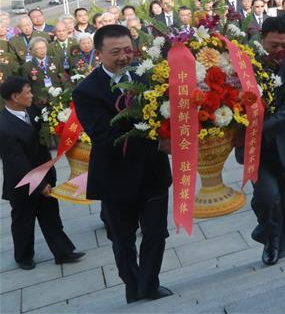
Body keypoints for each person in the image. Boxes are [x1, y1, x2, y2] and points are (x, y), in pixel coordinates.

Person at [72, 25, 172, 303]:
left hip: (153, 173)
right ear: (99, 53)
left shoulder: (150, 75)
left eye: (127, 50)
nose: (123, 57)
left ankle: (149, 284)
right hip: (116, 178)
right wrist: (157, 143)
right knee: (123, 239)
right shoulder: (86, 91)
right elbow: (106, 137)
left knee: (155, 233)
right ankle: (132, 283)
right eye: (115, 52)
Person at [238, 17, 285, 266]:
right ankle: (268, 235)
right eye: (273, 45)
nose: (279, 51)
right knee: (267, 198)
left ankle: (278, 242)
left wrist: (253, 130)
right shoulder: (245, 68)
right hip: (258, 150)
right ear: (261, 40)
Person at [0, 77, 84, 270]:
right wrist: (38, 185)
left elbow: (52, 119)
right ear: (15, 97)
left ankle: (62, 252)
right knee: (23, 221)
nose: (31, 94)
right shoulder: (4, 126)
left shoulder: (32, 110)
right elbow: (16, 163)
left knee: (51, 215)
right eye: (27, 92)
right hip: (23, 184)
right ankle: (23, 256)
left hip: (45, 174)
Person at [22, 38, 64, 109]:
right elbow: (27, 87)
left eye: (44, 47)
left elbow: (63, 78)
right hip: (39, 102)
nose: (42, 50)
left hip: (58, 98)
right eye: (38, 48)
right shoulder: (27, 66)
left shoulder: (56, 60)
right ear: (32, 50)